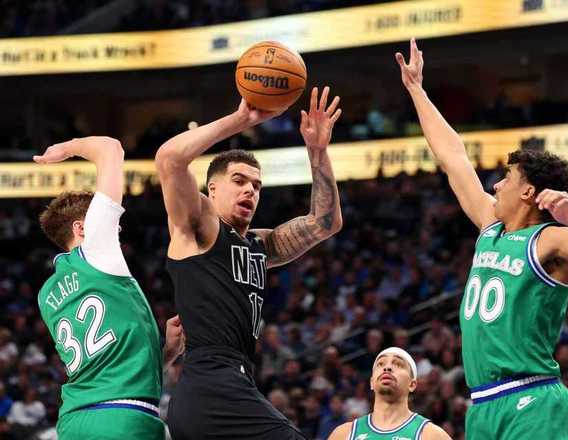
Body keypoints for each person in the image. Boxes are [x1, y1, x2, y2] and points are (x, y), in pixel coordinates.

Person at [396, 38, 568, 440]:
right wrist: (417, 91)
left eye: (506, 179)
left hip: (533, 399)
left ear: (528, 192)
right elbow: (453, 158)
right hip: (482, 404)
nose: (495, 185)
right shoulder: (489, 225)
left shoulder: (551, 239)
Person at [155, 88, 343, 439]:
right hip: (212, 384)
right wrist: (241, 119)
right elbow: (169, 159)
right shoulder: (200, 228)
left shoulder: (260, 244)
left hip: (228, 385)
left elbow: (325, 222)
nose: (249, 191)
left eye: (257, 186)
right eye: (239, 181)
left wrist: (317, 151)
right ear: (211, 190)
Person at [34, 137, 185, 440]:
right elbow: (110, 148)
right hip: (123, 419)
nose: (117, 229)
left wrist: (165, 354)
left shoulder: (46, 294)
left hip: (74, 421)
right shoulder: (96, 251)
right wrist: (65, 149)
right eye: (111, 224)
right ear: (82, 227)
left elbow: (105, 367)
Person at [328, 347, 451, 440]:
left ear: (412, 384)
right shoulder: (344, 434)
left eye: (398, 364)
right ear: (371, 382)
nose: (387, 368)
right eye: (381, 364)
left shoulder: (431, 434)